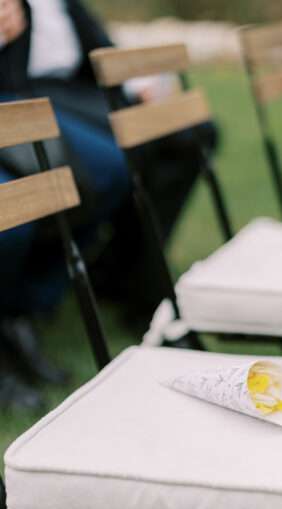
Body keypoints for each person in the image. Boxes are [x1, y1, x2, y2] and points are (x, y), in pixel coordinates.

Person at [0, 0, 218, 409]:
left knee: (114, 168)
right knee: (17, 215)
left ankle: (41, 302)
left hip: (43, 100)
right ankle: (19, 318)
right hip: (38, 101)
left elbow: (89, 45)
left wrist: (138, 82)